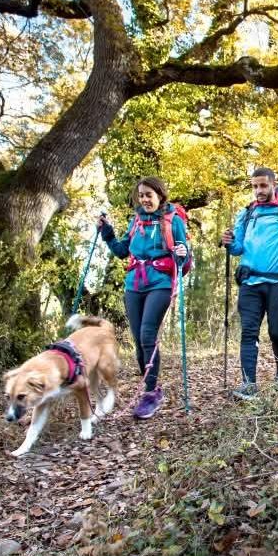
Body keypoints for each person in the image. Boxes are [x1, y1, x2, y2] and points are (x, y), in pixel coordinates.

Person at [98, 176, 189, 418]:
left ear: (160, 195)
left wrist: (183, 252)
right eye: (141, 196)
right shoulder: (136, 221)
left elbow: (184, 260)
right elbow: (120, 251)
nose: (145, 199)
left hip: (160, 283)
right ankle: (152, 388)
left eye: (149, 194)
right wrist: (107, 233)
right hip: (134, 283)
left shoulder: (174, 221)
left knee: (148, 334)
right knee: (138, 339)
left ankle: (150, 394)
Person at [221, 167, 278, 400]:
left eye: (263, 186)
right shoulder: (246, 214)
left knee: (277, 332)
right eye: (254, 186)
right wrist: (229, 243)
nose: (258, 191)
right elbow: (238, 249)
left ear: (273, 185)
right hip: (251, 281)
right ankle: (248, 384)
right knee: (248, 332)